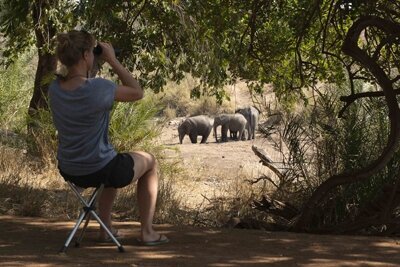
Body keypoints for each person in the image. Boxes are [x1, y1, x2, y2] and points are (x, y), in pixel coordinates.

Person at [48, 30, 169, 246]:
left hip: (70, 169)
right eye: (91, 53)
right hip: (100, 167)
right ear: (86, 55)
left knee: (110, 163)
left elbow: (77, 82)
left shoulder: (54, 89)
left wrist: (89, 67)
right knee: (149, 162)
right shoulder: (100, 88)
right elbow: (137, 92)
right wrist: (112, 60)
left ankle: (106, 231)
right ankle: (148, 232)